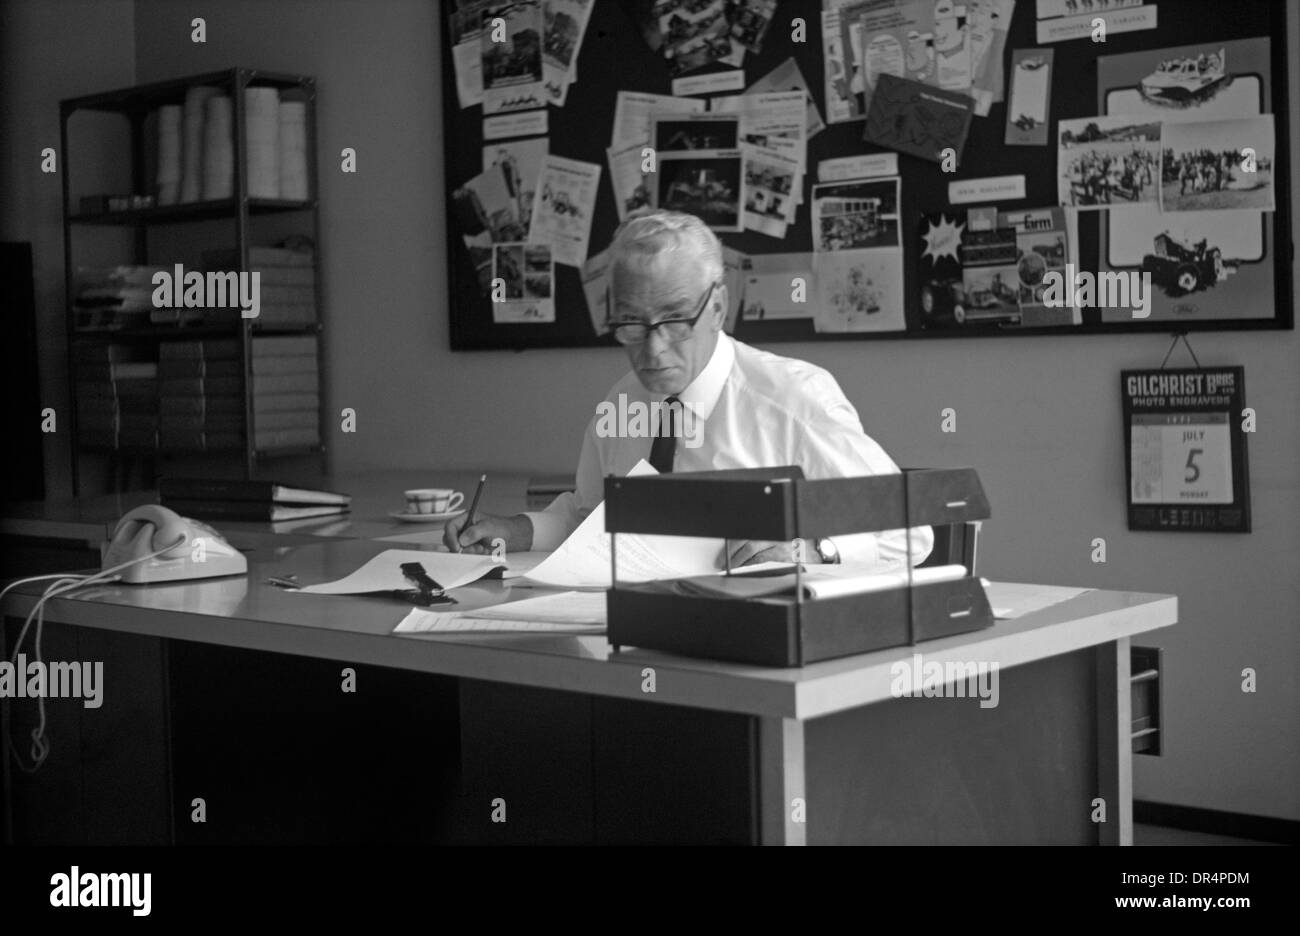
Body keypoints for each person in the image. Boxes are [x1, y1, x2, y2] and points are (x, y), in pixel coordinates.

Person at [445, 209, 934, 569]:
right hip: (633, 641)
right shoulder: (623, 402)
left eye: (676, 320)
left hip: (759, 653)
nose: (653, 351)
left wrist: (814, 550)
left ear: (718, 307)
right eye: (631, 323)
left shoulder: (790, 400)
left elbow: (910, 530)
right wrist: (515, 530)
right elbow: (592, 516)